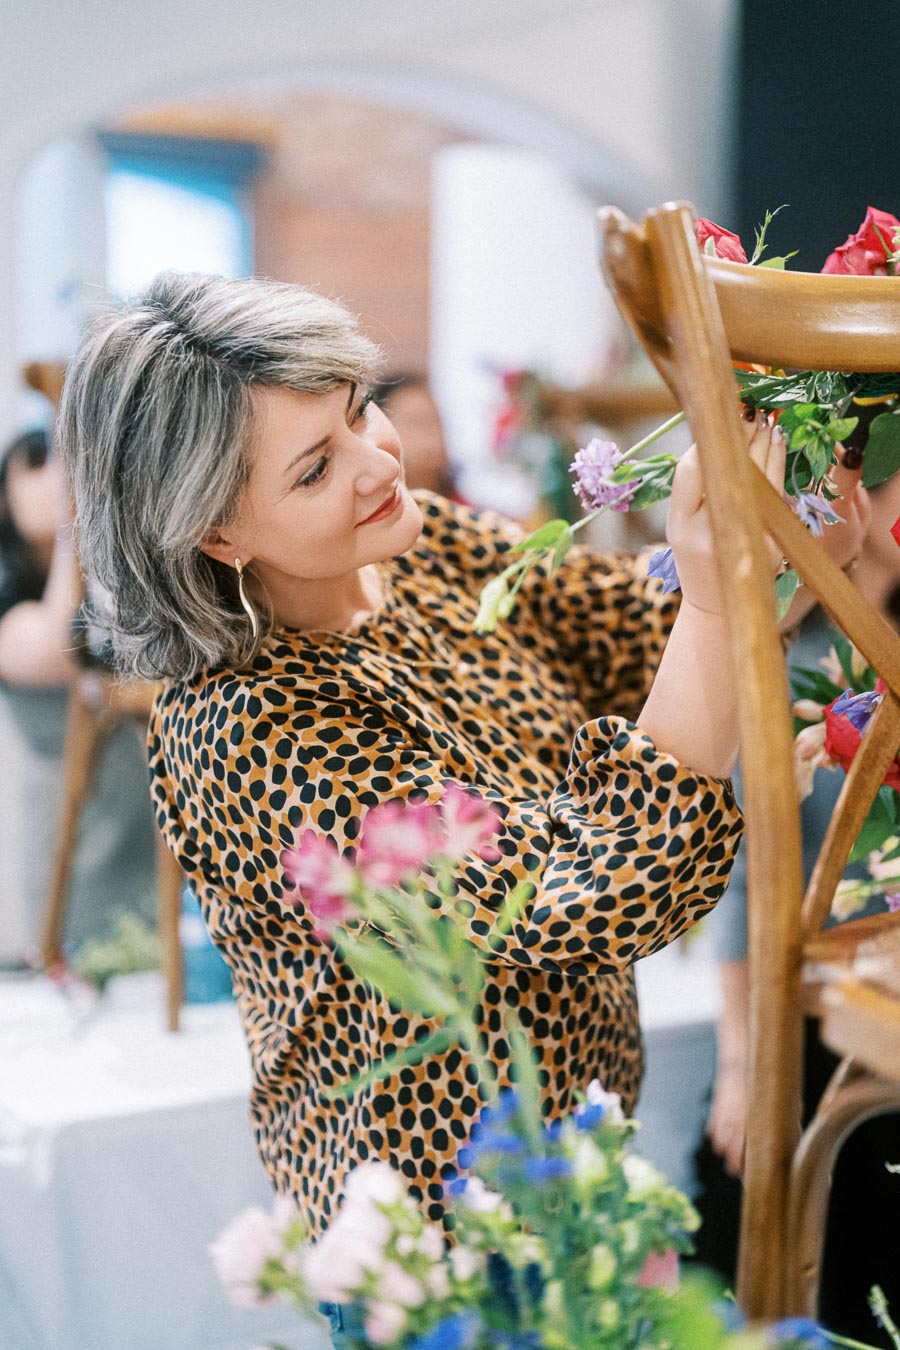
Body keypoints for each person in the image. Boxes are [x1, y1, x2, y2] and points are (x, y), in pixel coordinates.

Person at [55, 272, 851, 1343]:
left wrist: (793, 539)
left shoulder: (410, 539)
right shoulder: (245, 727)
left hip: (576, 1163)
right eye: (315, 468)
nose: (381, 462)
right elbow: (588, 889)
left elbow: (628, 624)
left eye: (358, 410)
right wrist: (723, 596)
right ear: (219, 535)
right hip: (437, 1237)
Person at [694, 465, 900, 1343]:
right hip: (805, 1005)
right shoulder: (785, 655)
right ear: (858, 499)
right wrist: (742, 1062)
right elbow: (744, 875)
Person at [0, 428, 158, 964]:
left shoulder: (118, 583)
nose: (60, 477)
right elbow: (57, 647)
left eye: (70, 465)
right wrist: (76, 526)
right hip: (78, 873)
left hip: (156, 857)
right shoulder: (12, 608)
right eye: (40, 463)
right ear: (5, 497)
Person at [372, 372, 459, 498]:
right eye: (416, 422)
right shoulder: (365, 509)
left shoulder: (467, 512)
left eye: (436, 421)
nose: (430, 434)